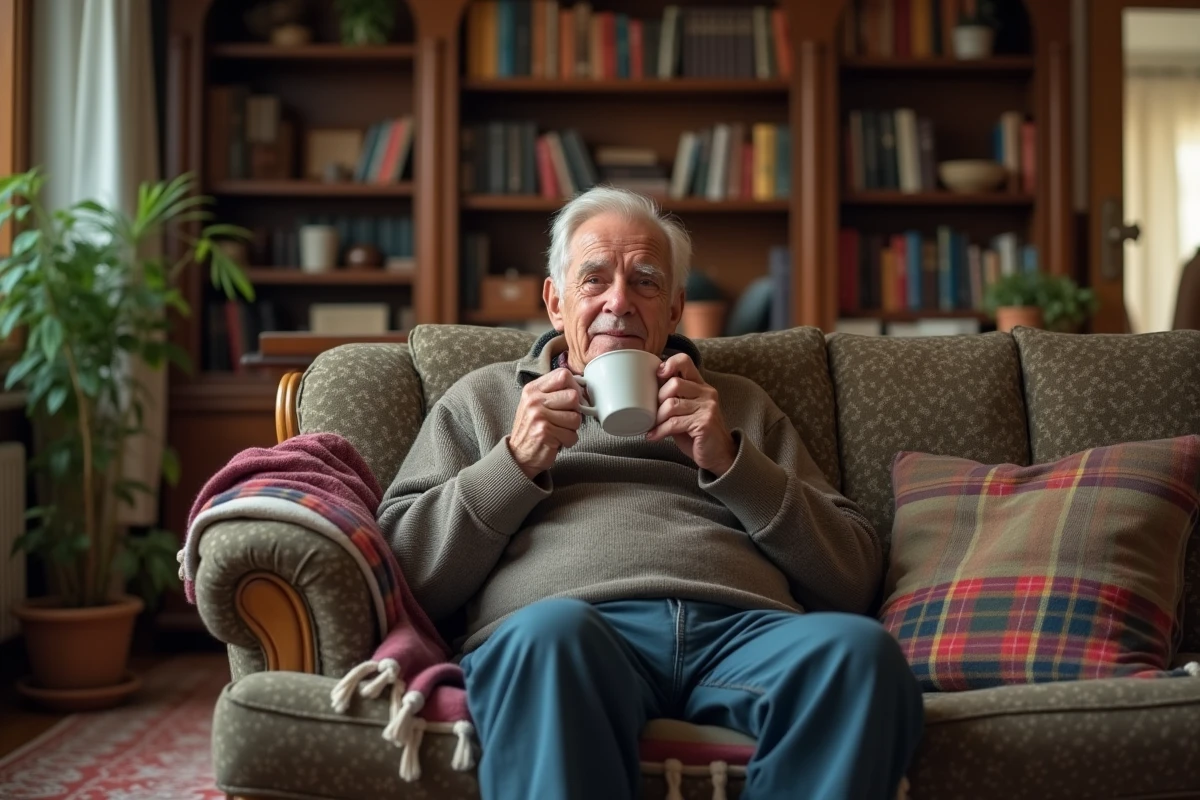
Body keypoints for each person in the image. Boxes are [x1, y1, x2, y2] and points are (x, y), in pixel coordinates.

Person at [377, 186, 924, 799]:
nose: (619, 302)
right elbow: (406, 571)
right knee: (549, 638)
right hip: (574, 632)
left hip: (742, 635)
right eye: (594, 280)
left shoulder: (736, 403)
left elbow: (853, 576)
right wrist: (514, 463)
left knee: (861, 655)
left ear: (674, 309)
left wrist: (732, 462)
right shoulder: (487, 399)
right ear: (556, 303)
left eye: (645, 282)